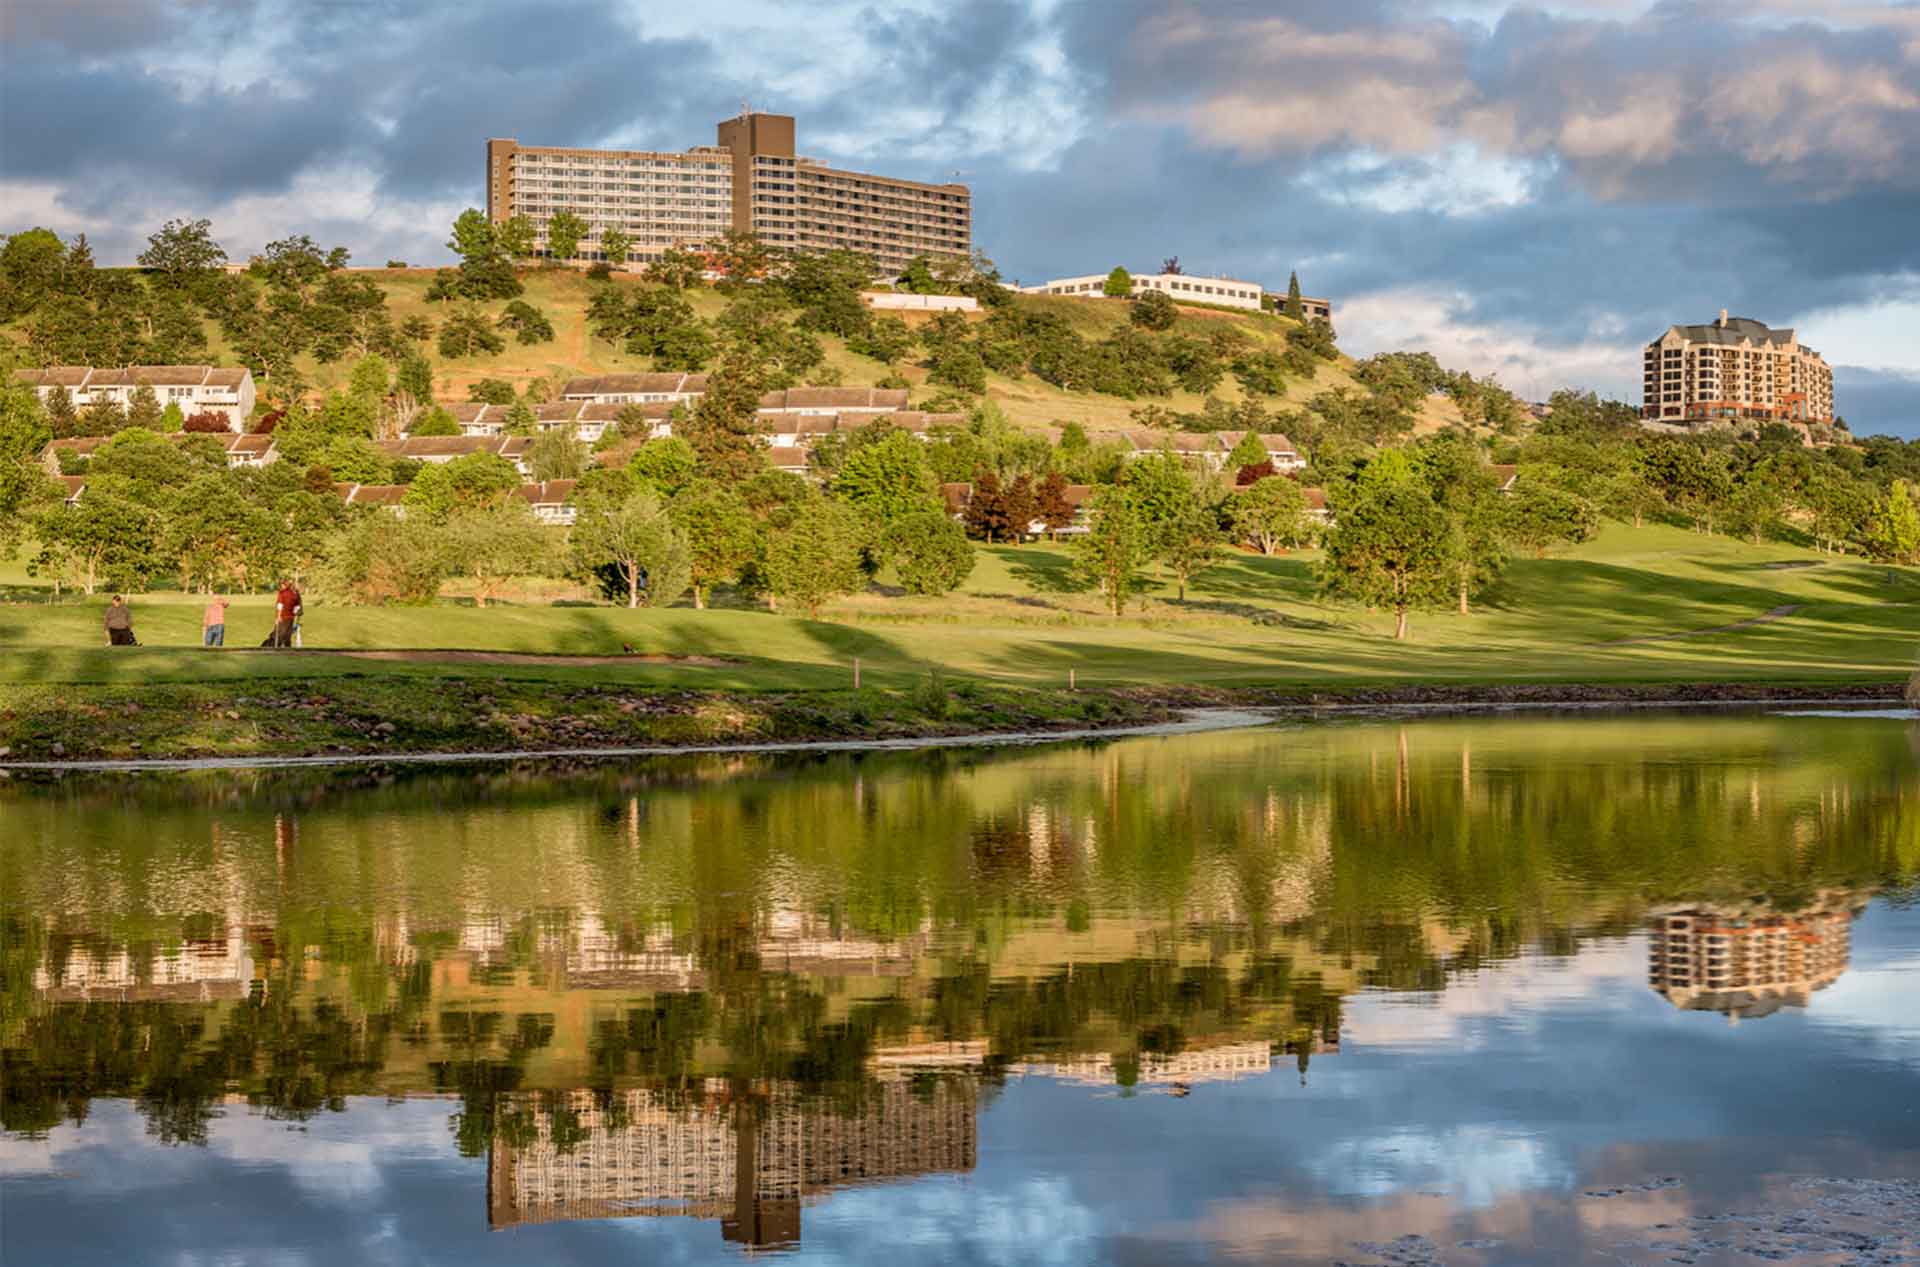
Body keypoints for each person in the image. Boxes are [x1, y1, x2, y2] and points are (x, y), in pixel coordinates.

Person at [270, 580, 301, 648]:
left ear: (284, 585)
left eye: (282, 585)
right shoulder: (294, 594)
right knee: (288, 633)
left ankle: (276, 646)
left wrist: (278, 616)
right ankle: (287, 646)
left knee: (280, 633)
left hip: (283, 616)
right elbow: (297, 607)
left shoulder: (282, 593)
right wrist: (295, 615)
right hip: (291, 617)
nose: (281, 586)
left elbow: (280, 606)